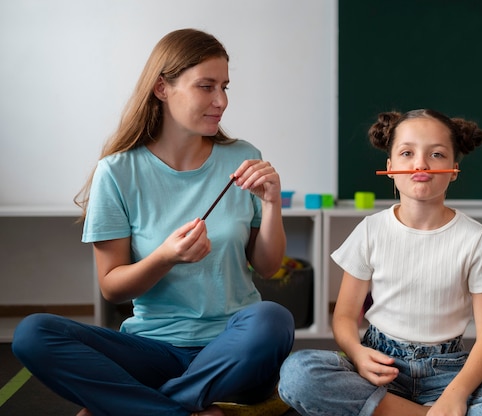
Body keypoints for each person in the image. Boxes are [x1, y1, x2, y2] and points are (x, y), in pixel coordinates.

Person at [12, 28, 295, 416]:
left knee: (272, 319)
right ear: (163, 88)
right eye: (206, 87)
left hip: (233, 349)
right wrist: (165, 257)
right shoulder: (117, 172)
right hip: (151, 350)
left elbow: (267, 265)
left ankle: (137, 406)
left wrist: (273, 203)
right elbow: (112, 288)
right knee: (33, 333)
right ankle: (183, 407)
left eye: (225, 87)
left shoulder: (242, 158)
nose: (221, 101)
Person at [278, 109, 482, 415]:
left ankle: (393, 411)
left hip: (448, 373)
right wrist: (358, 354)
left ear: (454, 169)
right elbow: (345, 316)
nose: (421, 164)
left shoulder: (476, 239)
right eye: (407, 153)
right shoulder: (370, 230)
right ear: (390, 168)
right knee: (298, 372)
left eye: (437, 154)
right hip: (379, 365)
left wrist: (455, 396)